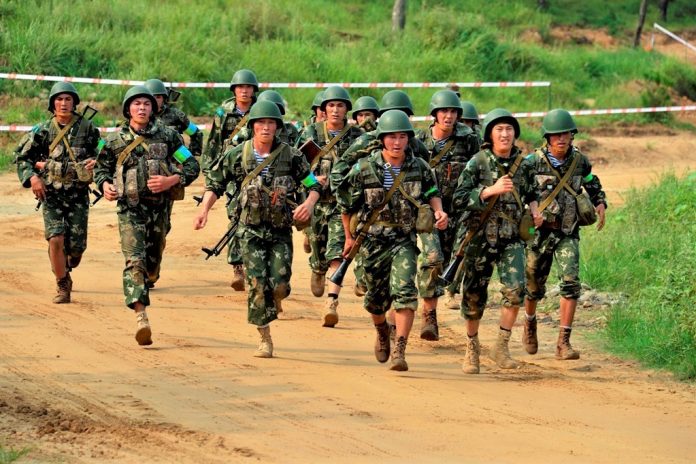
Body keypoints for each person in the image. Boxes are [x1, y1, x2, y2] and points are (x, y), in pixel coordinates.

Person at [194, 101, 320, 358]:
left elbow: (313, 185)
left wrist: (308, 204)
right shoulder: (237, 155)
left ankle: (277, 298)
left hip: (280, 231)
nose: (266, 127)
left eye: (271, 123)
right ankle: (264, 337)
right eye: (261, 123)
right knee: (256, 284)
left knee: (280, 284)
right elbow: (215, 183)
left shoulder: (291, 156)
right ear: (252, 126)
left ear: (277, 127)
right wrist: (204, 209)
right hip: (249, 230)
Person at [337, 110, 448, 371]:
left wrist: (439, 211)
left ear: (409, 139)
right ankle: (382, 330)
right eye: (391, 137)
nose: (397, 143)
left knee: (405, 293)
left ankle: (400, 348)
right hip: (372, 242)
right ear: (382, 140)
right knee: (375, 301)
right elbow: (346, 205)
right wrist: (348, 238)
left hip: (403, 240)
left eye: (402, 137)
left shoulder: (419, 166)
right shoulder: (364, 168)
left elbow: (432, 191)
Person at [93, 86, 200, 346]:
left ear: (153, 108)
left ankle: (151, 275)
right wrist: (105, 185)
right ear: (128, 108)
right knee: (134, 261)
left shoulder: (169, 136)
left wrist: (171, 180)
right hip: (130, 210)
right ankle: (141, 316)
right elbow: (101, 169)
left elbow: (191, 165)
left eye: (147, 104)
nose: (142, 108)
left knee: (152, 262)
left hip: (159, 210)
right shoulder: (114, 141)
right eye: (137, 104)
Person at [452, 108, 542, 374]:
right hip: (479, 236)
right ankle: (472, 348)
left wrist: (535, 210)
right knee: (473, 295)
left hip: (511, 237)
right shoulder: (478, 162)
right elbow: (459, 198)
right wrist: (489, 191)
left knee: (515, 291)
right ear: (490, 134)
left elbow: (532, 192)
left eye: (509, 129)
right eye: (499, 129)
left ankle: (501, 346)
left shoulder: (525, 164)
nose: (505, 134)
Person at [523, 109, 607, 360]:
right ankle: (529, 323)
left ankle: (563, 342)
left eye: (566, 134)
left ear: (572, 136)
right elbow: (520, 191)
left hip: (568, 232)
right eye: (556, 134)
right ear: (547, 137)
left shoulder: (580, 161)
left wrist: (600, 201)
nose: (562, 139)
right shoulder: (532, 162)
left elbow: (591, 181)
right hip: (538, 234)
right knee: (532, 287)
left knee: (571, 283)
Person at [15, 82, 101, 304]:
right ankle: (63, 283)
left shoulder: (88, 129)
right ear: (52, 104)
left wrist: (96, 162)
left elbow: (105, 154)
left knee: (76, 249)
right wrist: (33, 178)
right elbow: (23, 158)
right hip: (51, 194)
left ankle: (69, 261)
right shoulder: (42, 130)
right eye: (59, 99)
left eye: (68, 99)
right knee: (55, 238)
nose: (63, 103)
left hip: (78, 195)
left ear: (74, 103)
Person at [295, 86, 363, 327]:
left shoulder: (356, 137)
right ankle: (317, 267)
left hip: (341, 206)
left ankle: (332, 302)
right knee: (319, 250)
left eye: (340, 105)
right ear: (323, 109)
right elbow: (297, 166)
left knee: (337, 253)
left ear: (347, 109)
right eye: (331, 105)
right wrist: (312, 180)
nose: (335, 110)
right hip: (316, 203)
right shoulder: (311, 132)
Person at [415, 90, 480, 340]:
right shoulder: (419, 140)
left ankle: (459, 305)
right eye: (444, 111)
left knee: (458, 259)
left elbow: (481, 170)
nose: (449, 116)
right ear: (435, 114)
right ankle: (429, 315)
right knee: (432, 258)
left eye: (453, 111)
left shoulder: (469, 139)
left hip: (460, 212)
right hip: (429, 212)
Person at [143, 78, 204, 288]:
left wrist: (190, 156)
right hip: (142, 177)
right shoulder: (137, 118)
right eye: (151, 97)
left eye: (158, 97)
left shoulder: (176, 116)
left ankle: (152, 267)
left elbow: (196, 132)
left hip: (168, 177)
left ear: (164, 98)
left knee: (161, 226)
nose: (155, 101)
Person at [203, 69, 259, 291]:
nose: (244, 91)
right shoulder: (223, 112)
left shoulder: (262, 109)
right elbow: (214, 142)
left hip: (258, 171)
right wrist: (210, 172)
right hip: (233, 172)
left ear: (254, 90)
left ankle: (256, 266)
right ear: (234, 90)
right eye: (240, 87)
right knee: (236, 215)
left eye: (248, 87)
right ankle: (237, 266)